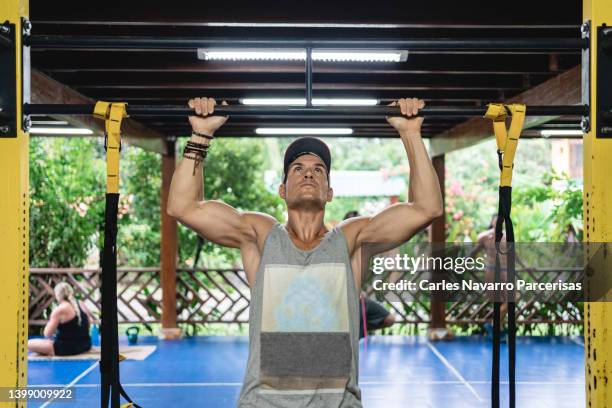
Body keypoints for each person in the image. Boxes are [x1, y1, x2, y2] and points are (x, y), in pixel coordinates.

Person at [168, 97, 442, 407]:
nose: (308, 173)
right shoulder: (260, 236)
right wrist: (201, 134)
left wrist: (410, 133)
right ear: (283, 190)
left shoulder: (352, 240)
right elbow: (183, 207)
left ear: (329, 191)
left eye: (318, 169)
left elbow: (426, 208)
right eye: (297, 168)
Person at [343, 210, 396, 339]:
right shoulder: (340, 246)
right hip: (344, 299)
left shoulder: (366, 247)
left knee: (389, 319)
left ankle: (361, 330)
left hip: (360, 299)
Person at [28, 282, 94, 356]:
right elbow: (89, 323)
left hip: (67, 348)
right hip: (85, 345)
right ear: (71, 292)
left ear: (57, 295)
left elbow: (47, 334)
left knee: (28, 343)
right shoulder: (81, 304)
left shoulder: (60, 309)